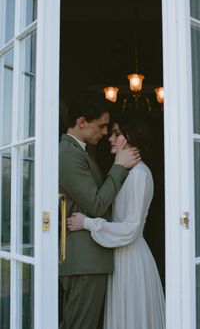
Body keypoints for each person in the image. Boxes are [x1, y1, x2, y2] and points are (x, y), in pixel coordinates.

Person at [67, 112, 166, 329]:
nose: (110, 138)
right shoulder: (128, 174)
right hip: (119, 256)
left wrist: (88, 223)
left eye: (117, 134)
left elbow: (131, 228)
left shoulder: (140, 174)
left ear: (133, 136)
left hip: (131, 257)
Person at [59, 94, 141, 329]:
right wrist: (119, 166)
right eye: (102, 125)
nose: (105, 133)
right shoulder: (68, 154)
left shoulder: (79, 151)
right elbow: (95, 204)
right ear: (82, 122)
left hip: (90, 258)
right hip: (85, 260)